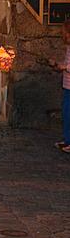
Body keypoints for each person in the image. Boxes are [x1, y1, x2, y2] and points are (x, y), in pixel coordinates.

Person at [50, 21, 70, 154]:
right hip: (67, 85)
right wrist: (57, 64)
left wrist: (64, 67)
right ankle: (67, 140)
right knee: (66, 114)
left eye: (65, 33)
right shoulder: (69, 47)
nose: (63, 35)